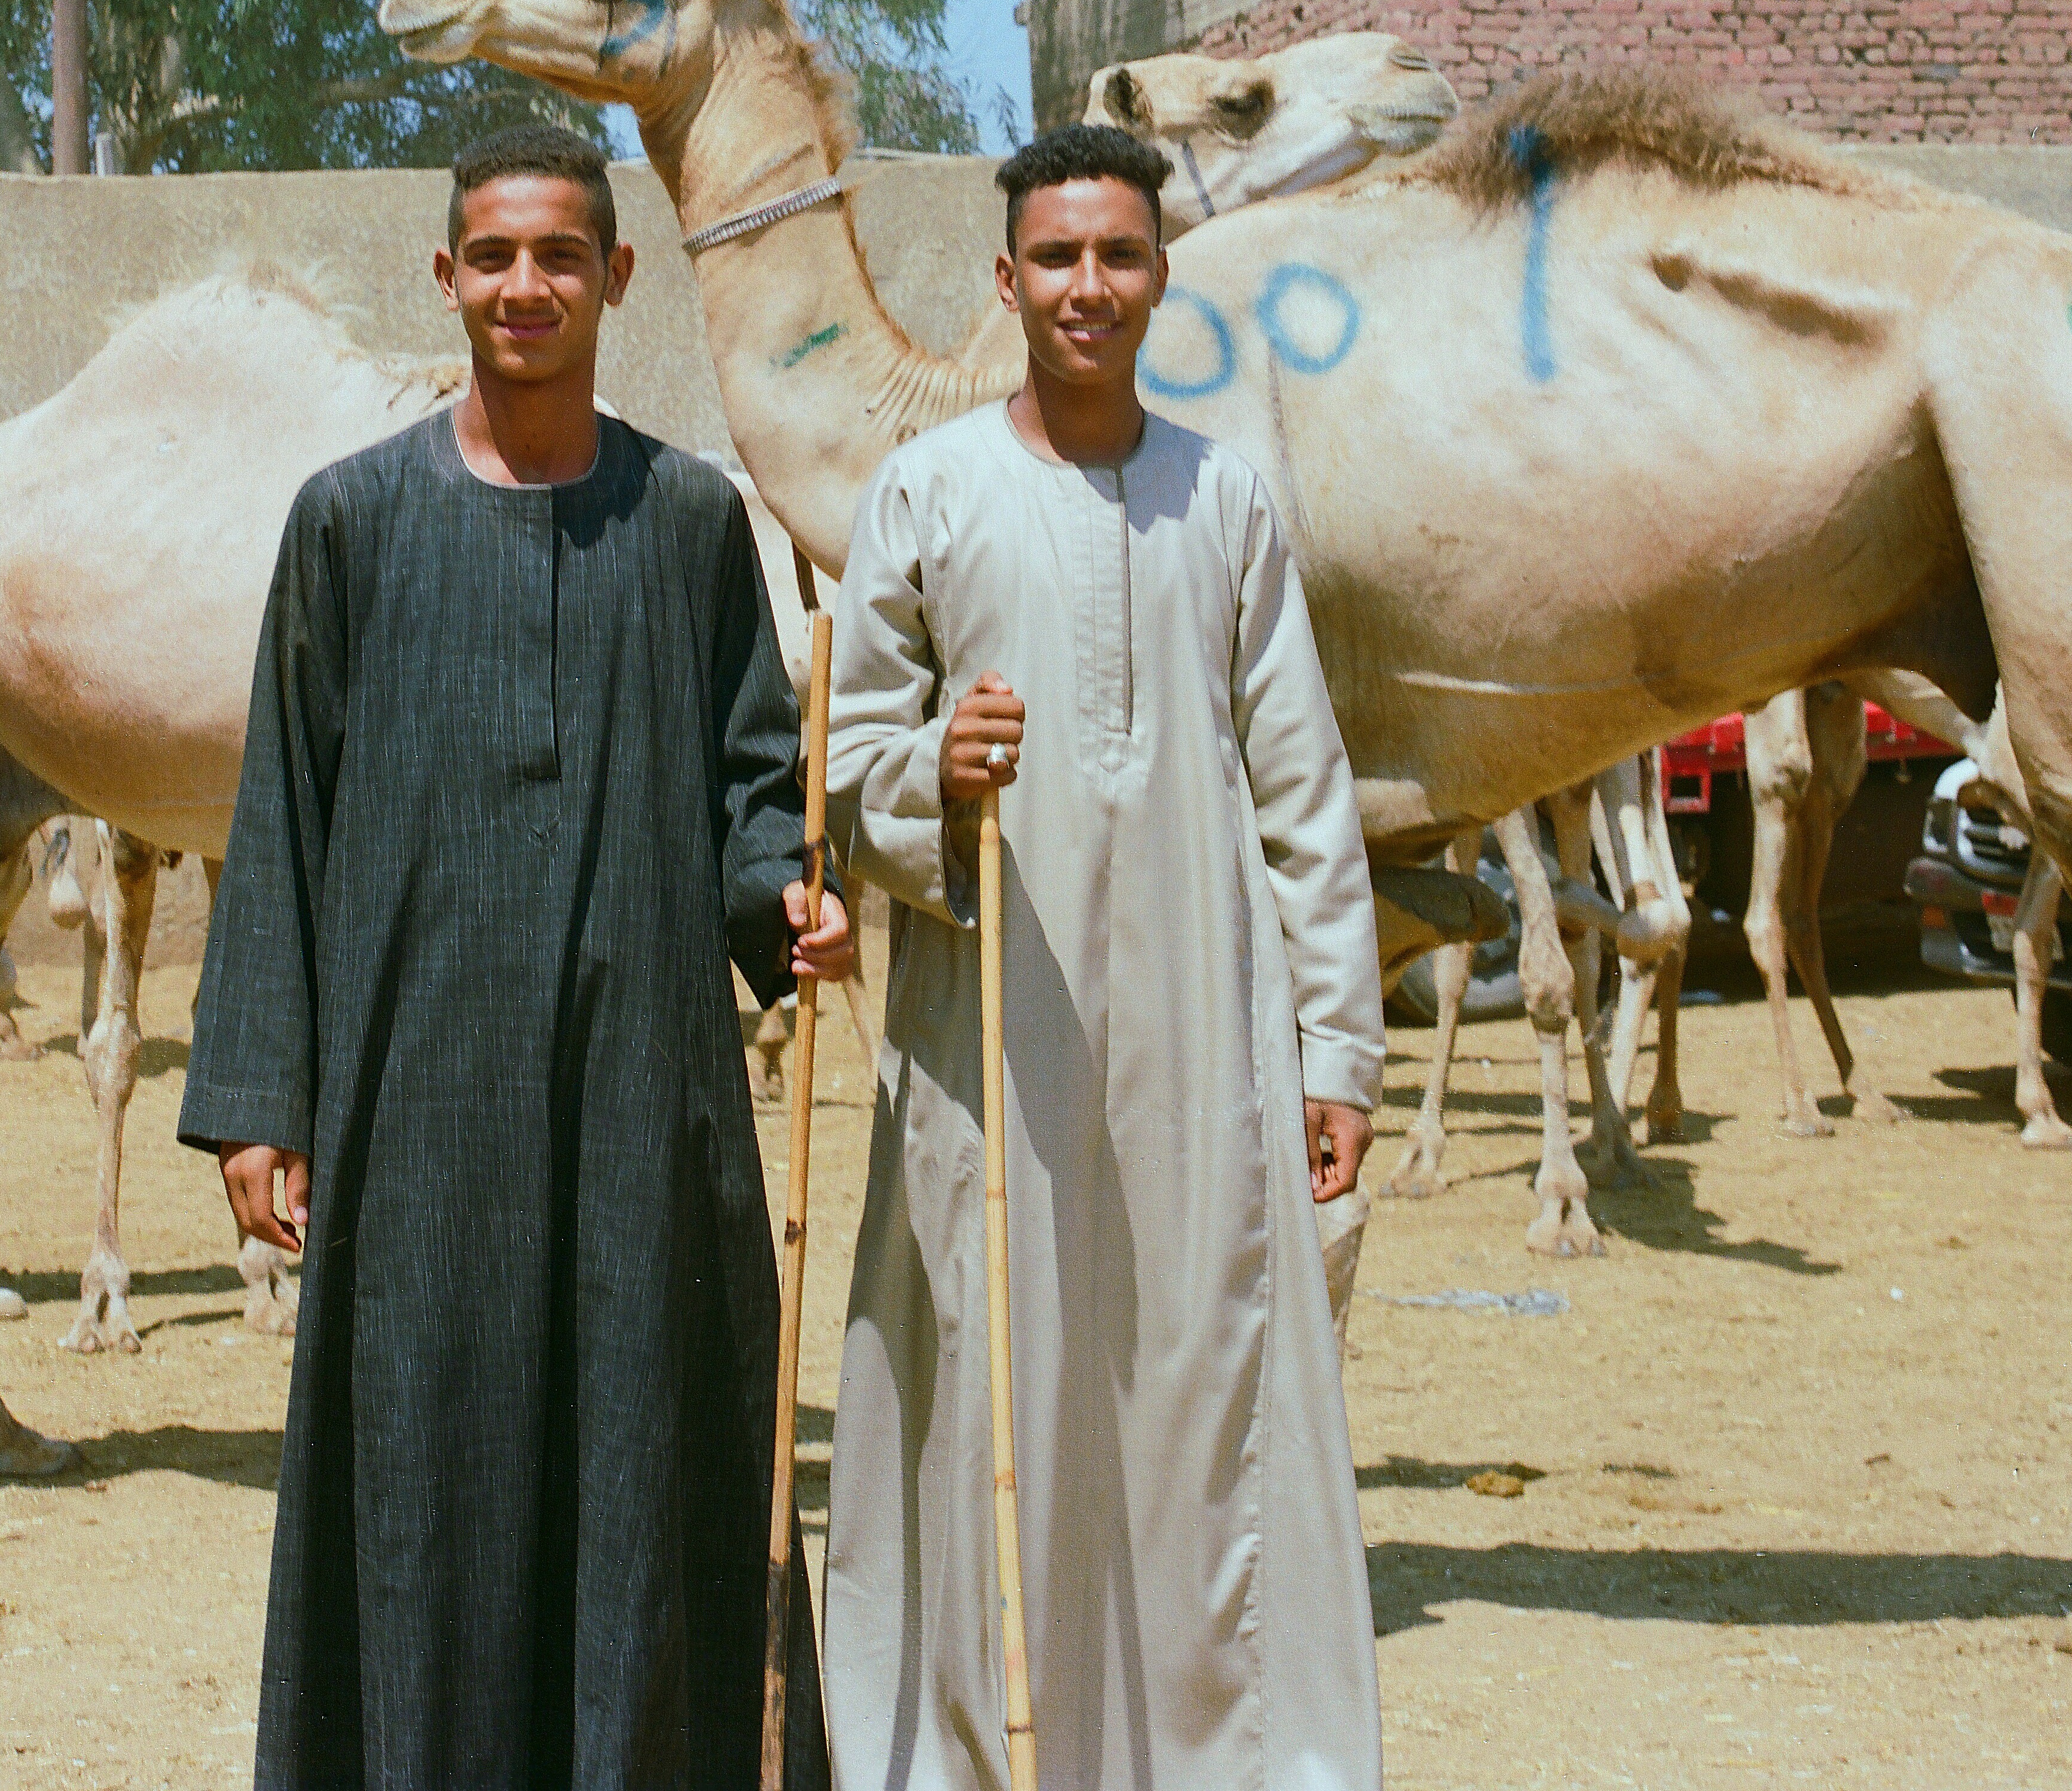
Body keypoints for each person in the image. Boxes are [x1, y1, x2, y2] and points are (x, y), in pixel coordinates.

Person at [180, 122, 855, 1789]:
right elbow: (283, 813)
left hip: (646, 1116)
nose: (527, 285)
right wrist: (268, 1091)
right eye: (494, 255)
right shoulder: (348, 525)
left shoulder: (692, 525)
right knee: (426, 1486)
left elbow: (751, 788)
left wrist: (787, 901)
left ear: (618, 276)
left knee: (644, 1470)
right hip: (418, 1124)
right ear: (447, 276)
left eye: (561, 255)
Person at [822, 123, 1385, 1791]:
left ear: (1159, 280)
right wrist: (940, 771)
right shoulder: (926, 496)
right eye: (1055, 257)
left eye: (1118, 256)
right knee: (998, 1394)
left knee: (1198, 1390)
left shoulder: (1227, 497)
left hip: (1208, 1057)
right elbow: (846, 775)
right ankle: (980, 1755)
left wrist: (1336, 1050)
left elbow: (1305, 795)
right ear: (1006, 283)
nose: (1087, 285)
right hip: (992, 1045)